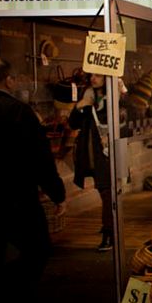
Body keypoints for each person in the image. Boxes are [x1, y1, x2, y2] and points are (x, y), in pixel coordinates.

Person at [0, 57, 66, 303]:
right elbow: (40, 158)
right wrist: (57, 193)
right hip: (15, 200)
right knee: (36, 250)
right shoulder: (18, 111)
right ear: (8, 80)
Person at [68, 73, 114, 251]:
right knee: (105, 192)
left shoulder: (114, 97)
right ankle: (109, 227)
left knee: (107, 192)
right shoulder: (87, 96)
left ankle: (109, 233)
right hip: (93, 154)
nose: (93, 79)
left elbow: (129, 115)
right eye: (92, 76)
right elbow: (73, 124)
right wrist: (80, 106)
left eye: (98, 76)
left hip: (108, 153)